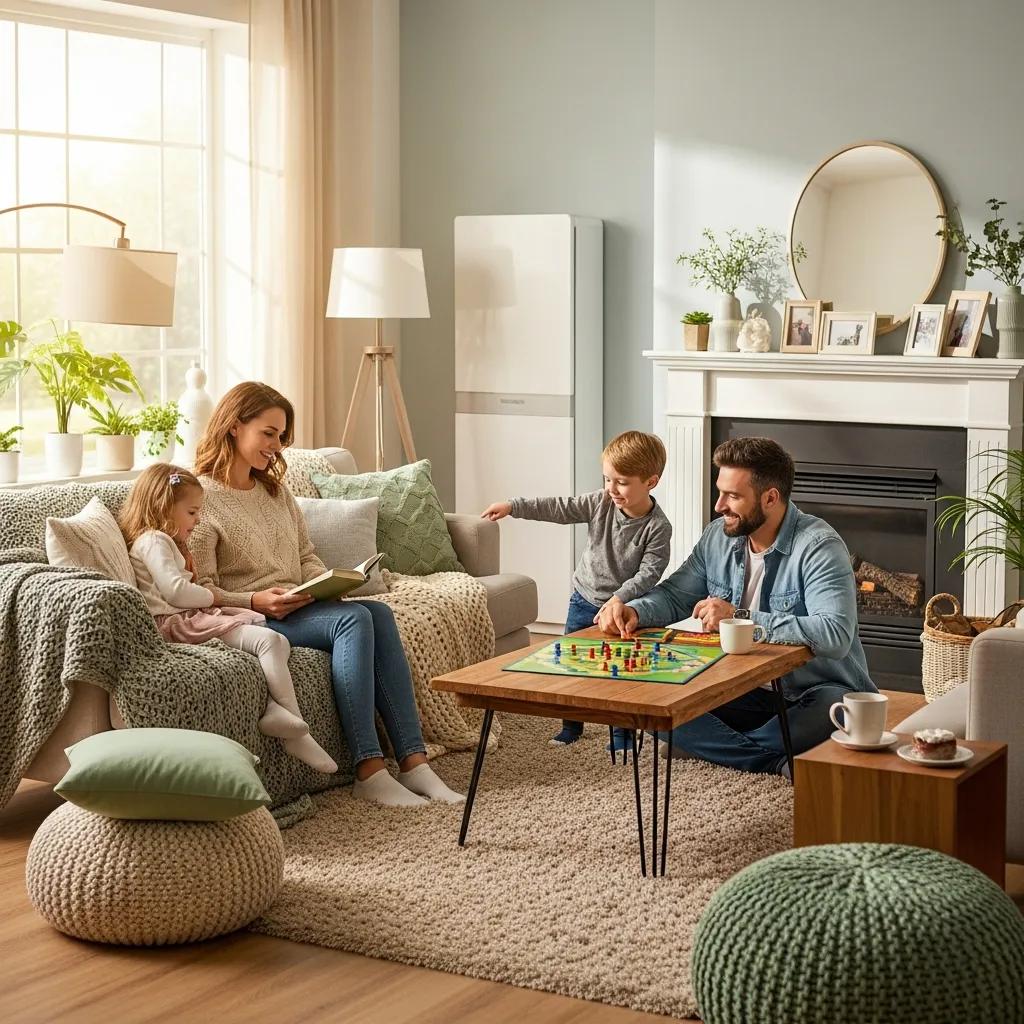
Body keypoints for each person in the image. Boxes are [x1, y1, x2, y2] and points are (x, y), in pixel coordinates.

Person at [189, 381, 464, 806]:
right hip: (253, 616)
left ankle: (414, 764)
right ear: (233, 426)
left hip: (299, 605)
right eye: (268, 433)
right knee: (355, 619)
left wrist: (328, 583)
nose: (276, 446)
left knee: (378, 613)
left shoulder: (275, 492)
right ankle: (368, 769)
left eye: (281, 437)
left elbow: (306, 554)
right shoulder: (199, 500)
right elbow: (200, 590)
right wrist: (256, 600)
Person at [598, 436, 877, 778]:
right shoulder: (718, 536)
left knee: (832, 711)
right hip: (738, 688)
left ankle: (718, 746)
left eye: (733, 496)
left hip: (816, 692)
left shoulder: (819, 546)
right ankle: (774, 760)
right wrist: (634, 610)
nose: (719, 506)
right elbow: (674, 595)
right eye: (720, 492)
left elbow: (834, 635)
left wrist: (739, 617)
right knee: (649, 705)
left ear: (770, 498)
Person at [120, 463, 338, 774]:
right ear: (163, 507)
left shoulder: (163, 541)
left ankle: (278, 710)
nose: (197, 521)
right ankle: (296, 728)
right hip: (177, 623)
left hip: (190, 616)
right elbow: (176, 592)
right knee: (270, 640)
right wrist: (213, 597)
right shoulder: (153, 541)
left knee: (261, 626)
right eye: (192, 513)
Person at [482, 430, 672, 751]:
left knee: (620, 673)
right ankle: (571, 726)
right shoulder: (600, 502)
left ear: (650, 482)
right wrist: (513, 506)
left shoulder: (658, 527)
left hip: (622, 611)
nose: (612, 488)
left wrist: (619, 599)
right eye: (607, 479)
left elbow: (649, 573)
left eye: (621, 482)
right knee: (573, 666)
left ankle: (621, 735)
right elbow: (558, 508)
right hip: (583, 600)